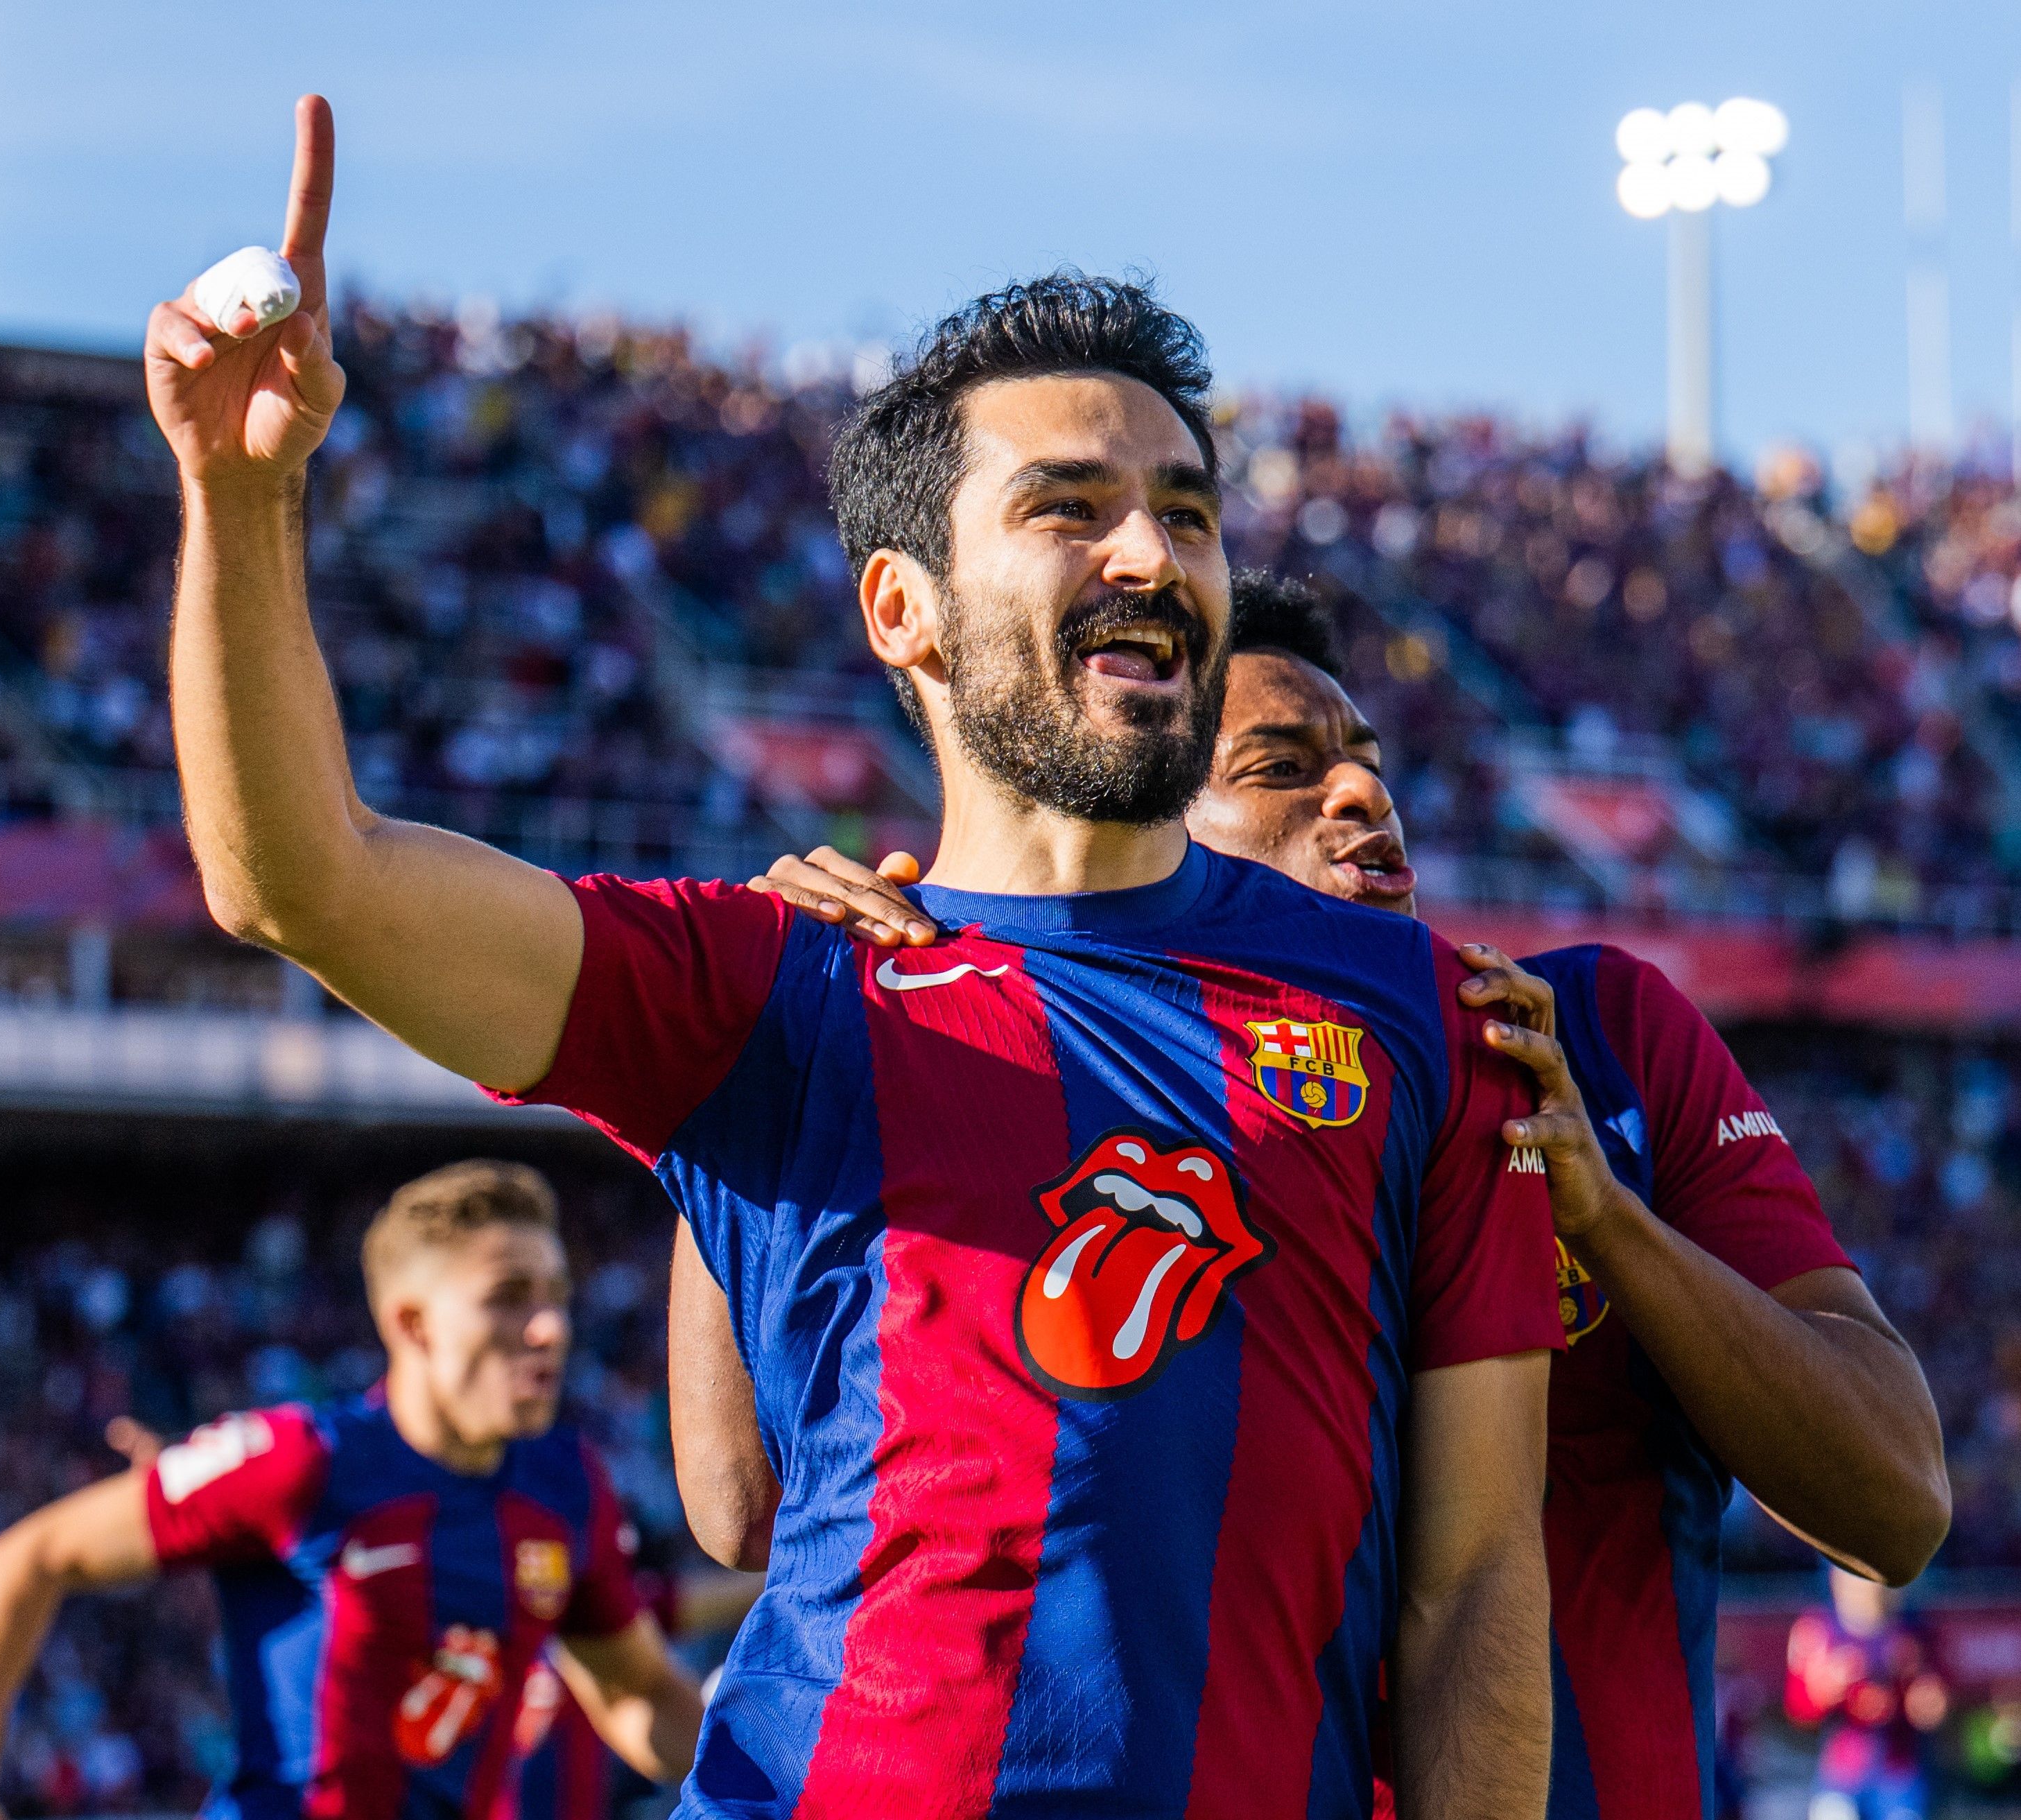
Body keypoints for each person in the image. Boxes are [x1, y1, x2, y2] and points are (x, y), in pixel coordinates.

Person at [147, 96, 1563, 1818]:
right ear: (904, 612)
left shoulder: (1415, 1011)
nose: (1152, 554)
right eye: (1071, 506)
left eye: (1187, 514)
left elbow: (1475, 1582)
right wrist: (239, 497)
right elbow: (306, 883)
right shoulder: (778, 983)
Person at [740, 570, 1952, 1820]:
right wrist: (769, 1056)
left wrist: (1608, 1222)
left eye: (1366, 760)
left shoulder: (1599, 1039)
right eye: (1278, 767)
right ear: (1151, 831)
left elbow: (1896, 1506)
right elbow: (746, 1503)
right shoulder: (1035, 1092)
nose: (1365, 793)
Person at [0, 1161, 702, 1820]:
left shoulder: (567, 1486)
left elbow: (635, 1694)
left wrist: (800, 1785)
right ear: (411, 1323)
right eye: (508, 1298)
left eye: (558, 1295)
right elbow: (25, 1559)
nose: (551, 1328)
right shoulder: (302, 1461)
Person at [1787, 1566, 1948, 1820]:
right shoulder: (1819, 1630)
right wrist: (1828, 1688)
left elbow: (1934, 1707)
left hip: (1898, 1773)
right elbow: (1799, 1710)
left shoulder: (1913, 1632)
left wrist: (1922, 1698)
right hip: (1842, 1773)